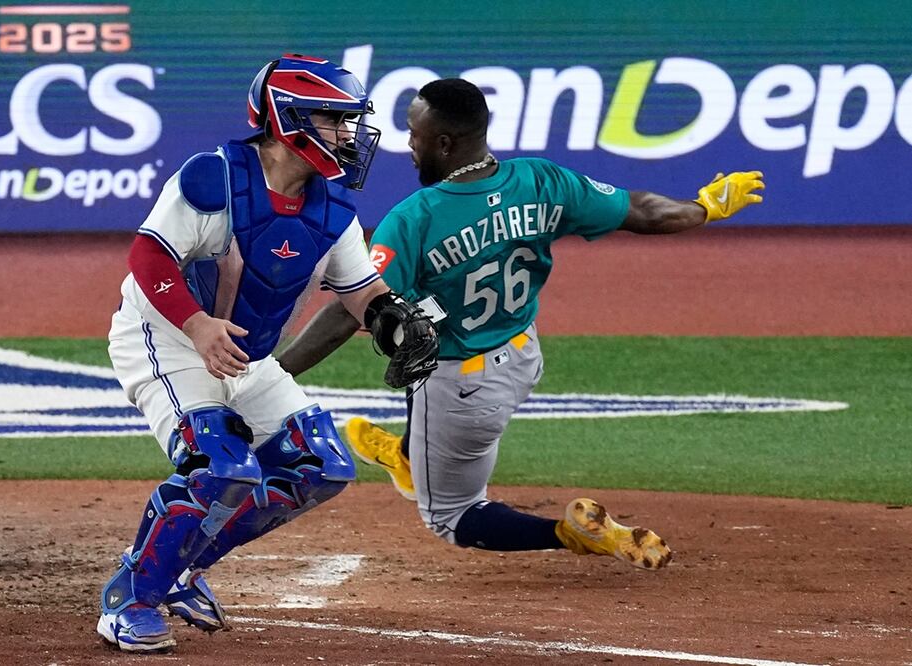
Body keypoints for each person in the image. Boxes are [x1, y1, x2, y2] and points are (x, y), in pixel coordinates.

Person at [278, 78, 765, 571]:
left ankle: (571, 535)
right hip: (522, 353)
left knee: (450, 514)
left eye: (414, 134)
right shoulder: (541, 180)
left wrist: (275, 373)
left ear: (444, 143)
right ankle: (409, 454)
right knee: (419, 323)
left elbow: (347, 312)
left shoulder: (413, 218)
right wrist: (705, 208)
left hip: (462, 390)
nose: (408, 145)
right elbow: (642, 211)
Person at [96, 54, 437, 653]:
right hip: (169, 340)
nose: (349, 137)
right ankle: (131, 599)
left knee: (319, 465)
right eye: (336, 121)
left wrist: (397, 323)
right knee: (219, 466)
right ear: (288, 118)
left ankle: (179, 565)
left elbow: (365, 295)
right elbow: (150, 257)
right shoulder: (214, 178)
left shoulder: (332, 213)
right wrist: (198, 326)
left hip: (246, 357)